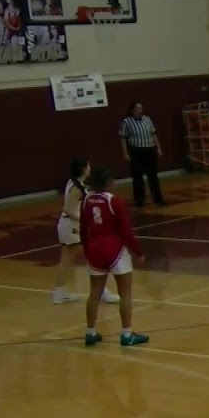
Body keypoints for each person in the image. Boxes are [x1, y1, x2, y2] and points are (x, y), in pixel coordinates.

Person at [80, 166, 148, 347]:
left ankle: (90, 332)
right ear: (108, 182)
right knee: (125, 292)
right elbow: (126, 231)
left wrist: (87, 250)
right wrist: (138, 252)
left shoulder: (86, 200)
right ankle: (126, 334)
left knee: (94, 293)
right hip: (114, 249)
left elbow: (82, 229)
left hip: (94, 249)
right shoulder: (115, 201)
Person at [52, 158, 120, 305]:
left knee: (68, 261)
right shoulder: (76, 187)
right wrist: (86, 223)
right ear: (83, 169)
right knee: (94, 258)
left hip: (68, 226)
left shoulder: (76, 183)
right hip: (72, 226)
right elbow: (68, 209)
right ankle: (101, 291)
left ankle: (60, 292)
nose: (90, 168)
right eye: (88, 166)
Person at [118, 101, 165, 207]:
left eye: (141, 109)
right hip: (136, 151)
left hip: (150, 150)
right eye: (138, 109)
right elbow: (123, 138)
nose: (140, 111)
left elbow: (153, 134)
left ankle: (158, 198)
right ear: (132, 110)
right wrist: (125, 153)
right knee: (137, 176)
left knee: (153, 175)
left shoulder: (147, 119)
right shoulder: (127, 122)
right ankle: (139, 200)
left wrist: (158, 148)